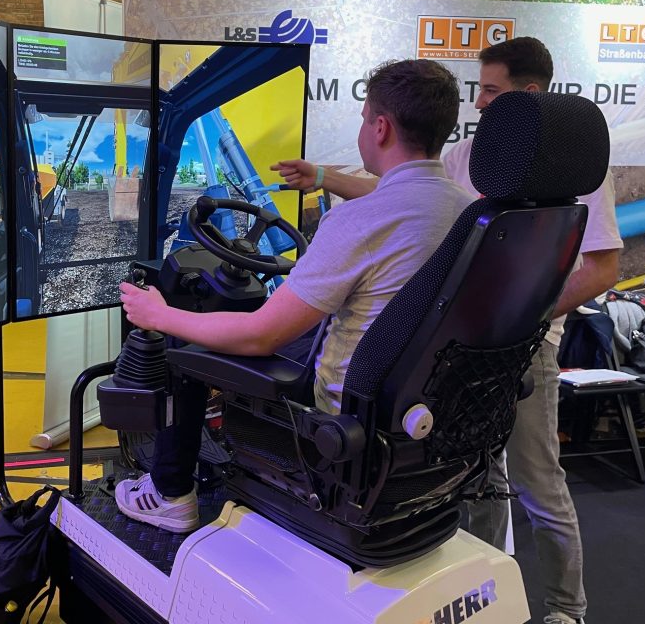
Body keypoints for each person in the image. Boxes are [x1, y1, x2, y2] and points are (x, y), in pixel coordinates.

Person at [273, 36, 621, 624]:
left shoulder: (577, 175)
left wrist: (517, 316)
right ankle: (480, 593)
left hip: (523, 345)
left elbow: (603, 270)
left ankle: (567, 610)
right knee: (473, 476)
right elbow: (400, 189)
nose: (479, 103)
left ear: (528, 94)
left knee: (538, 484)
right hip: (465, 346)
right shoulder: (472, 156)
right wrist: (325, 176)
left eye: (491, 91)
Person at [115, 58, 474, 534]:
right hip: (412, 398)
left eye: (364, 118)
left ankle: (170, 493)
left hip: (338, 412)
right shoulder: (467, 212)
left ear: (381, 128)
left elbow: (260, 336)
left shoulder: (359, 220)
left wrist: (159, 315)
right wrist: (323, 176)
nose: (363, 129)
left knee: (187, 344)